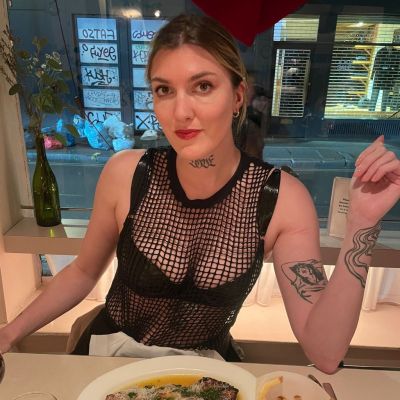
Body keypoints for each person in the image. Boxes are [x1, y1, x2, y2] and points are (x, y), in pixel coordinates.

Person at [1, 14, 399, 373]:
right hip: (111, 359)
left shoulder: (281, 199)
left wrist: (362, 225)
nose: (181, 112)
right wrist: (8, 333)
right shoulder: (126, 173)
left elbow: (325, 354)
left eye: (203, 86)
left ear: (238, 96)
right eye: (164, 90)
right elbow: (84, 272)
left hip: (204, 374)